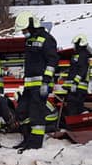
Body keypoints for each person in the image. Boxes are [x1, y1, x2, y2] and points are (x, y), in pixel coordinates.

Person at [13, 11, 58, 151]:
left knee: (36, 114)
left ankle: (35, 145)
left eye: (24, 29)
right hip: (29, 85)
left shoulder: (47, 39)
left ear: (32, 25)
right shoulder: (29, 40)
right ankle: (27, 140)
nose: (23, 32)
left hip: (41, 84)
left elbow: (52, 61)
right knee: (21, 111)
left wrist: (46, 81)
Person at [60, 34, 92, 117]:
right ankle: (84, 117)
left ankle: (75, 122)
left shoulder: (82, 55)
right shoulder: (79, 55)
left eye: (75, 44)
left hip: (77, 87)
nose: (74, 46)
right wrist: (66, 85)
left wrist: (75, 82)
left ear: (80, 44)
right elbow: (73, 71)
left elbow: (82, 70)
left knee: (72, 107)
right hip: (76, 88)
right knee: (77, 107)